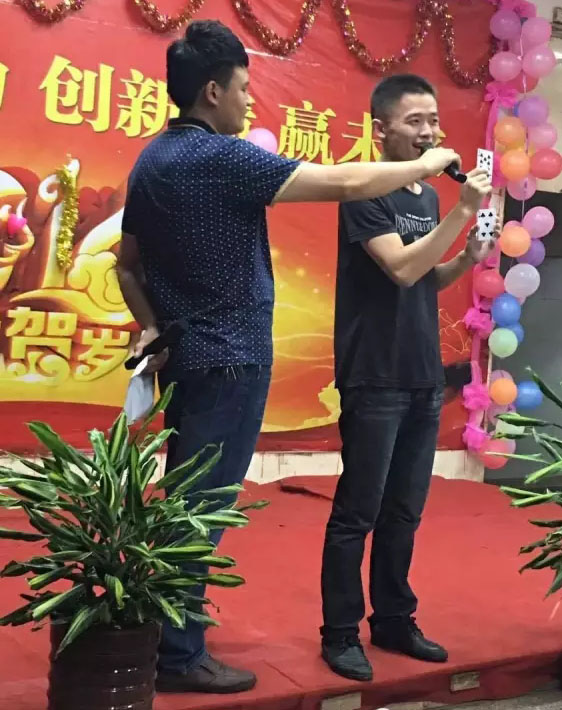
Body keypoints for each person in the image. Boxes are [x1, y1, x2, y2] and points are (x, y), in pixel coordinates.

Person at [116, 20, 461, 694]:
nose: (250, 102)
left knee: (188, 502)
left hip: (189, 358)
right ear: (212, 91)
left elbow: (127, 264)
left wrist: (152, 327)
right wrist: (426, 167)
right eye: (245, 89)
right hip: (232, 361)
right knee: (202, 510)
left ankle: (174, 637)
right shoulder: (223, 157)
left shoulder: (151, 160)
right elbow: (341, 182)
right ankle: (179, 655)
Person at [320, 74, 496, 682]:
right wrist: (464, 212)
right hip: (374, 374)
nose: (429, 132)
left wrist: (466, 258)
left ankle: (394, 619)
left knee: (404, 512)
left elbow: (425, 278)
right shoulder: (364, 188)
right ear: (382, 129)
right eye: (414, 121)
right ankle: (340, 633)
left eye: (433, 120)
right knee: (358, 513)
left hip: (422, 375)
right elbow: (398, 267)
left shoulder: (426, 196)